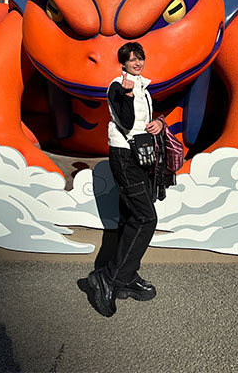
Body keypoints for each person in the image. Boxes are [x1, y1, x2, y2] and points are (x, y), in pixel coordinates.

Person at [86, 41, 165, 317]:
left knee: (132, 216)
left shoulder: (144, 86)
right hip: (124, 155)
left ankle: (126, 276)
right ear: (123, 63)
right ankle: (108, 277)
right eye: (131, 59)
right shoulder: (117, 87)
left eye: (139, 57)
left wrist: (159, 124)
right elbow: (127, 123)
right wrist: (127, 95)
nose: (137, 62)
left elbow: (145, 123)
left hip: (140, 154)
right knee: (146, 217)